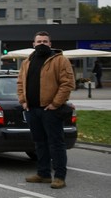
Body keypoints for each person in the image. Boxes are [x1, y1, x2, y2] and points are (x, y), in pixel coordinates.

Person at [16, 31, 74, 189]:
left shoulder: (60, 60)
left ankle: (60, 177)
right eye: (39, 41)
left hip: (51, 110)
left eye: (45, 41)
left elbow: (67, 83)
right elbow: (20, 83)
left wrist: (55, 104)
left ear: (50, 44)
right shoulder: (27, 61)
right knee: (39, 143)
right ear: (33, 44)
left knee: (56, 144)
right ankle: (43, 174)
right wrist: (23, 101)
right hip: (32, 109)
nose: (42, 43)